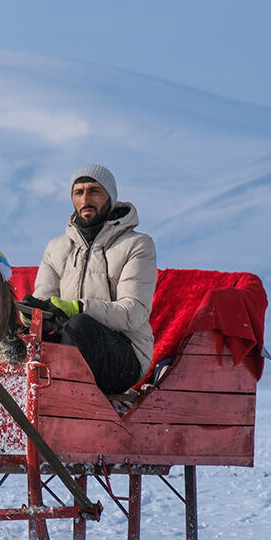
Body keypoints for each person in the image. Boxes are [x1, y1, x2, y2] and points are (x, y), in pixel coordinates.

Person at [22, 163, 157, 394]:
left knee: (80, 325)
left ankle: (67, 403)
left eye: (94, 191)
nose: (86, 198)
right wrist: (32, 313)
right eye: (79, 192)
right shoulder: (56, 248)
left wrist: (77, 308)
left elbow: (134, 312)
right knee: (17, 336)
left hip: (125, 354)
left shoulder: (137, 245)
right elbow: (45, 300)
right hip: (70, 345)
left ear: (110, 197)